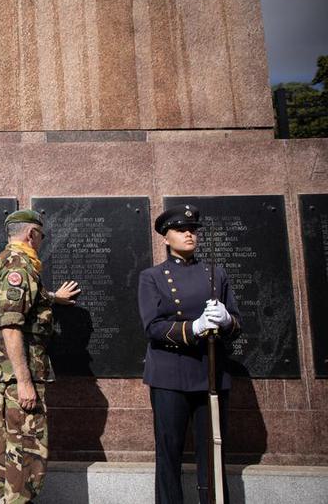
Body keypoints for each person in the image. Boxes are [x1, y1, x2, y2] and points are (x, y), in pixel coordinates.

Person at [138, 204, 241, 504]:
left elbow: (237, 324)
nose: (189, 234)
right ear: (166, 237)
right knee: (169, 452)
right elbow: (152, 327)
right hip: (170, 375)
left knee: (213, 451)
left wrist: (226, 320)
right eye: (181, 229)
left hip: (210, 373)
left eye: (193, 230)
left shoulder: (216, 274)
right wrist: (194, 327)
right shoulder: (153, 277)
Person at [0, 208, 80, 504]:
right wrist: (25, 382)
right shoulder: (20, 265)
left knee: (13, 445)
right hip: (21, 373)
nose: (41, 241)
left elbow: (23, 300)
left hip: (12, 371)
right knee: (26, 451)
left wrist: (53, 298)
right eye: (41, 236)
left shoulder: (6, 260)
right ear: (31, 233)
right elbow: (11, 325)